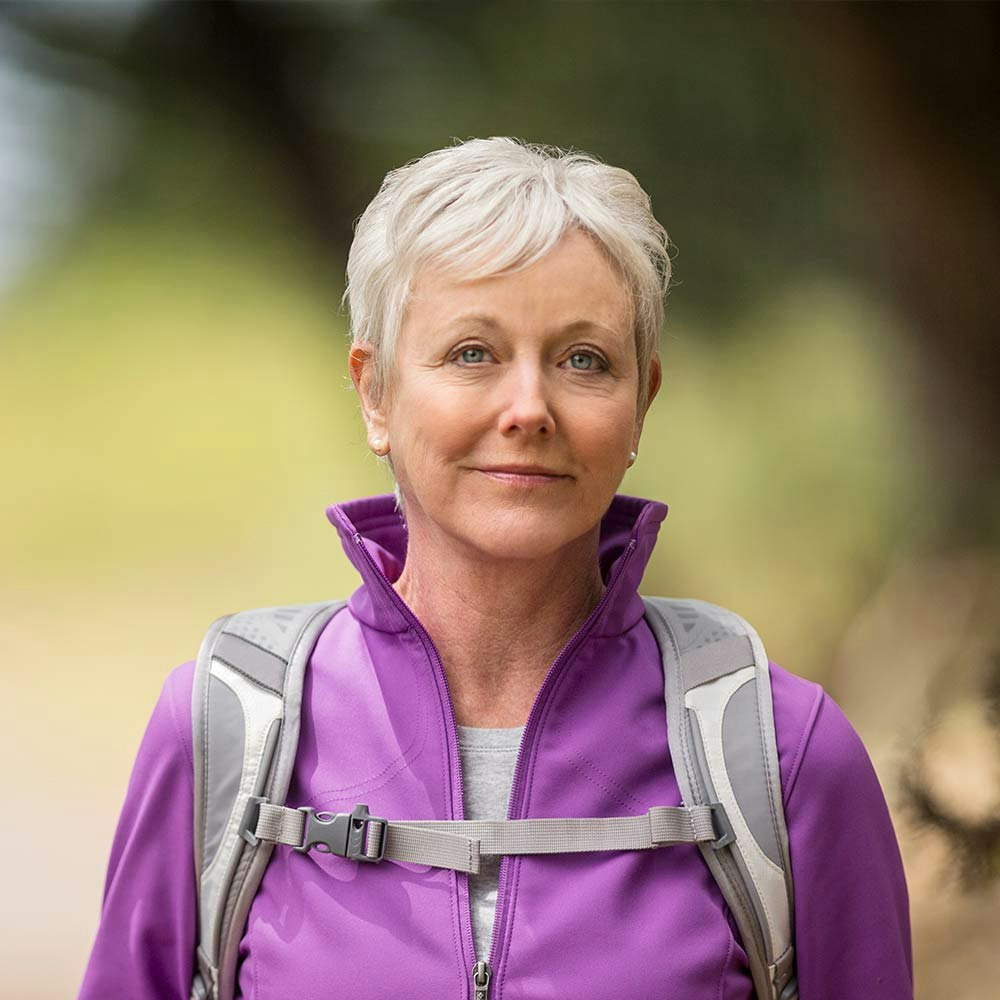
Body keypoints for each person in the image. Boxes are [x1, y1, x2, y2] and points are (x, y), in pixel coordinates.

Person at [78, 136, 913, 999]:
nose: (528, 409)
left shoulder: (786, 755)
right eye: (472, 353)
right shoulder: (221, 732)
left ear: (641, 404)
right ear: (375, 393)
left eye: (583, 360)